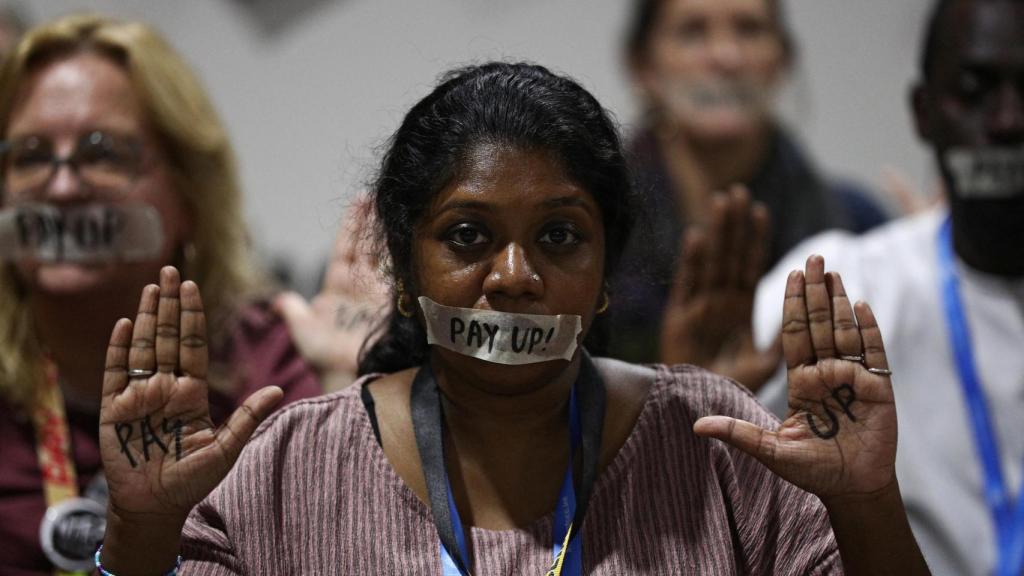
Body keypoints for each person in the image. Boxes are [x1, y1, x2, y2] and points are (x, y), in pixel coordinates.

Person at [93, 62, 928, 575]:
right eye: (468, 237)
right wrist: (139, 533)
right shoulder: (285, 473)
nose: (515, 278)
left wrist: (867, 502)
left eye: (559, 236)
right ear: (406, 271)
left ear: (604, 275)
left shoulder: (715, 448)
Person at [0, 15, 320, 574]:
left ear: (188, 191)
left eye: (101, 152)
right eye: (29, 155)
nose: (62, 186)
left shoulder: (268, 369)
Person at [751, 0, 1024, 573]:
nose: (1007, 122)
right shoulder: (846, 285)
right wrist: (696, 387)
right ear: (924, 112)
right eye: (974, 89)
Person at [608, 0, 890, 365]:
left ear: (783, 59)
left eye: (749, 29)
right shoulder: (597, 224)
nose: (727, 57)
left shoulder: (859, 227)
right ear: (643, 65)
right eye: (693, 32)